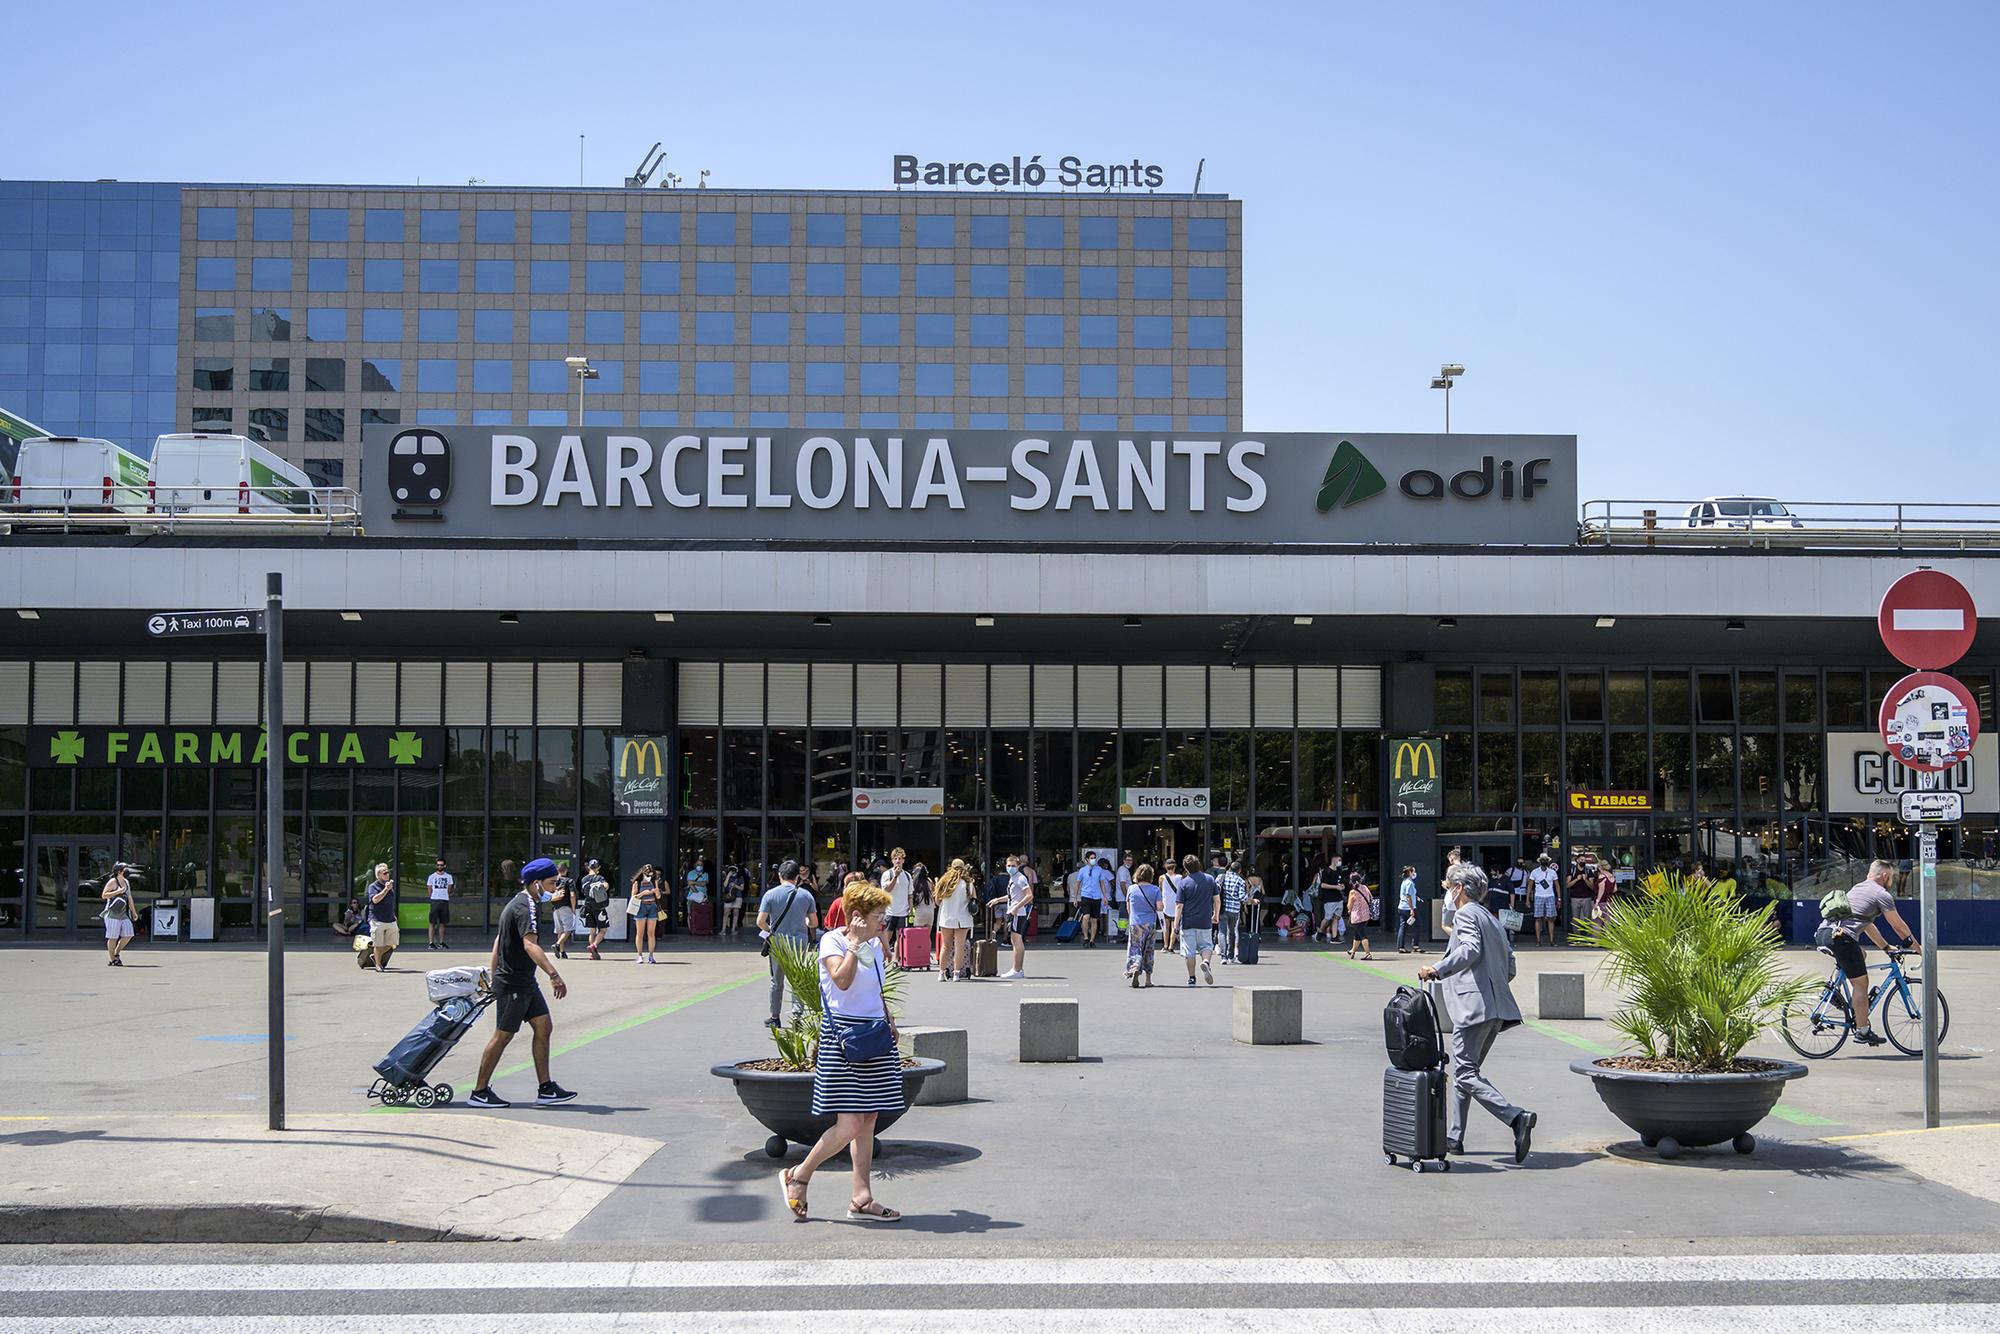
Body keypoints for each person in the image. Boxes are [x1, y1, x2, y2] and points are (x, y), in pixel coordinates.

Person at [780, 879, 902, 1223]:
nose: (884, 922)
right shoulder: (832, 940)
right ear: (858, 916)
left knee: (868, 1119)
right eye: (879, 915)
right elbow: (842, 981)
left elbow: (874, 988)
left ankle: (861, 1197)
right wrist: (855, 944)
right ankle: (799, 1175)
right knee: (849, 1124)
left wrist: (889, 1017)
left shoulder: (877, 944)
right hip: (844, 1038)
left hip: (874, 1034)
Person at [1419, 863, 1535, 1163]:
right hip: (1496, 1008)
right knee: (1465, 1073)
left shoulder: (1467, 914)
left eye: (1448, 887)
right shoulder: (1492, 919)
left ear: (1459, 889)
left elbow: (1469, 949)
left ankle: (1515, 1117)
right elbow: (1509, 965)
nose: (1446, 892)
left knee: (1465, 1073)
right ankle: (1454, 1138)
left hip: (1474, 1008)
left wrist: (1437, 969)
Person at [467, 857, 577, 1108]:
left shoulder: (527, 902)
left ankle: (546, 1088)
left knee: (544, 1026)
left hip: (523, 981)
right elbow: (530, 944)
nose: (555, 886)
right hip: (513, 983)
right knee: (503, 1036)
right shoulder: (524, 908)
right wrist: (554, 974)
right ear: (536, 883)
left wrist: (493, 976)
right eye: (551, 882)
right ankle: (479, 1092)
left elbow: (499, 941)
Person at [1827, 858, 1920, 1047]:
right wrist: (1917, 948)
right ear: (1884, 875)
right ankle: (1862, 1031)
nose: (1892, 881)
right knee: (1861, 983)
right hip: (1842, 938)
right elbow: (1898, 925)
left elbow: (1867, 925)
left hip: (1826, 934)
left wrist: (1886, 947)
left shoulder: (1859, 888)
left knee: (1860, 955)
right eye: (1892, 877)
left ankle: (1834, 991)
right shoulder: (1881, 894)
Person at [758, 860, 820, 1027]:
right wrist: (805, 921)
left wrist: (770, 930)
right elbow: (814, 923)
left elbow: (760, 921)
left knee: (776, 981)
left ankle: (775, 1017)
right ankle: (797, 1016)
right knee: (798, 981)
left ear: (780, 875)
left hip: (778, 943)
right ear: (797, 877)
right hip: (799, 944)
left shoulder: (770, 895)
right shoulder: (806, 895)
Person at [1174, 854, 1221, 987]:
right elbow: (1217, 900)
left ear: (1185, 868)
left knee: (1189, 951)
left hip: (1188, 921)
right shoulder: (1210, 879)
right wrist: (1215, 915)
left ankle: (1192, 978)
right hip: (1205, 920)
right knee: (1206, 945)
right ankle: (1206, 962)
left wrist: (1176, 925)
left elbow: (1179, 906)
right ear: (1199, 864)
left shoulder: (1183, 883)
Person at [984, 854, 1034, 979]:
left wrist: (1016, 908)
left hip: (1017, 912)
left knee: (1017, 941)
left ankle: (1017, 970)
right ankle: (1017, 969)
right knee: (1014, 940)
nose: (1010, 868)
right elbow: (1012, 896)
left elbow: (1029, 895)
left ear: (1018, 866)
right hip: (1013, 911)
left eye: (1013, 866)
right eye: (1008, 866)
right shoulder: (1013, 878)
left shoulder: (1020, 878)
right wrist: (997, 900)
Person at [932, 858, 976, 982]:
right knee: (959, 946)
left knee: (945, 946)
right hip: (963, 918)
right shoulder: (968, 883)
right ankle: (956, 974)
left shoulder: (944, 882)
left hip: (947, 918)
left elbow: (937, 901)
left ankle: (941, 973)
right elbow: (974, 900)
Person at [1124, 863, 1163, 988]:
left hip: (1135, 922)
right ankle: (1148, 979)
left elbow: (1128, 907)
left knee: (1135, 947)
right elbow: (1159, 907)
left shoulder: (1131, 889)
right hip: (1150, 923)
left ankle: (1135, 967)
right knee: (1149, 950)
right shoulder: (1155, 889)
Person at [365, 863, 399, 972]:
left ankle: (376, 956)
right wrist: (386, 889)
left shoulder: (389, 886)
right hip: (377, 919)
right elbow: (375, 900)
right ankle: (378, 965)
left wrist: (394, 915)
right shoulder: (373, 887)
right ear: (378, 875)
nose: (387, 874)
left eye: (388, 872)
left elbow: (389, 903)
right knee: (378, 944)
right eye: (385, 873)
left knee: (392, 943)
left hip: (390, 918)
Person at [100, 862, 135, 966]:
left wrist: (133, 912)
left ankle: (116, 952)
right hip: (112, 913)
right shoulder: (112, 882)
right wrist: (117, 891)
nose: (127, 871)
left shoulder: (126, 882)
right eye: (125, 869)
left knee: (128, 934)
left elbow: (129, 897)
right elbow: (104, 895)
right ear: (119, 872)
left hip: (123, 913)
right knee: (113, 937)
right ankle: (113, 959)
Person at [880, 848, 914, 954]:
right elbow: (887, 890)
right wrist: (895, 876)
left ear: (903, 860)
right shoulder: (887, 874)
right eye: (895, 858)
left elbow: (910, 894)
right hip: (890, 911)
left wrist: (911, 908)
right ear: (892, 860)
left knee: (900, 938)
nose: (898, 861)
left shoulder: (908, 876)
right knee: (887, 937)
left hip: (903, 912)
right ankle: (881, 958)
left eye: (900, 858)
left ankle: (896, 960)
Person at [1075, 850, 1110, 947]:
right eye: (1091, 858)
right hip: (1086, 895)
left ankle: (1092, 940)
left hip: (1096, 896)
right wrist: (1075, 897)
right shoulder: (1082, 870)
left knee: (1094, 919)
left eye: (1094, 858)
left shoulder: (1099, 870)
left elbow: (1102, 883)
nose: (1093, 860)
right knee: (1086, 917)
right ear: (1087, 859)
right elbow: (1077, 883)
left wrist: (1105, 896)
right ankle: (1086, 937)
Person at [1216, 858, 1248, 963]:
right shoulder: (1241, 881)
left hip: (1222, 908)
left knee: (1222, 932)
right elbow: (1242, 897)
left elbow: (1215, 891)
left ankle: (1223, 956)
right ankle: (1230, 956)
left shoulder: (1221, 877)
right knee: (1232, 932)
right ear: (1239, 871)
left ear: (1229, 868)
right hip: (1234, 910)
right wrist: (1251, 900)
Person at [578, 858, 610, 960]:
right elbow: (606, 886)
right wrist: (603, 885)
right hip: (599, 907)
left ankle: (592, 954)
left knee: (592, 931)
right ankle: (594, 945)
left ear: (588, 867)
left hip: (588, 906)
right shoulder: (599, 877)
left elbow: (583, 891)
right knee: (603, 929)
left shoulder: (584, 879)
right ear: (598, 868)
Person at [630, 864, 662, 964]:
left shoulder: (654, 881)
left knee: (651, 933)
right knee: (640, 933)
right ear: (643, 873)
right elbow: (633, 897)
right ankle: (639, 955)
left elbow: (658, 896)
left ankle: (651, 955)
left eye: (651, 874)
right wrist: (644, 893)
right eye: (647, 874)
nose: (649, 876)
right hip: (641, 907)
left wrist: (656, 892)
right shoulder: (637, 882)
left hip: (652, 906)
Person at [425, 857, 454, 951]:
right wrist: (433, 897)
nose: (439, 867)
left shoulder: (448, 877)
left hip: (444, 900)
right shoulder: (432, 877)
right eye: (438, 865)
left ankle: (441, 942)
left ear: (444, 866)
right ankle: (431, 943)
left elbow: (449, 889)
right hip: (435, 900)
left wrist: (444, 895)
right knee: (432, 922)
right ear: (436, 865)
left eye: (441, 865)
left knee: (442, 923)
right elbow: (429, 889)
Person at [550, 862, 577, 961]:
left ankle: (562, 952)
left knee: (559, 930)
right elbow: (572, 895)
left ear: (558, 871)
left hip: (555, 908)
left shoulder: (554, 881)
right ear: (566, 870)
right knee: (568, 929)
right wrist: (573, 908)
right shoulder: (569, 881)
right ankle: (557, 945)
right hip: (566, 907)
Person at [1530, 854, 1560, 946]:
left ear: (1548, 861)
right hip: (1538, 896)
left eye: (1546, 860)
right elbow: (1530, 885)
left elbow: (1557, 885)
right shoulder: (1534, 872)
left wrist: (1559, 898)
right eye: (1543, 860)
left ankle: (1551, 940)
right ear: (1540, 861)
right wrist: (1527, 899)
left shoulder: (1552, 872)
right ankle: (1538, 941)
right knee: (1538, 918)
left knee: (1551, 919)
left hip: (1550, 896)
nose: (1544, 861)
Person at [1346, 872, 1376, 961]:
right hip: (1366, 916)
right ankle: (1353, 951)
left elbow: (1349, 906)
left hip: (1357, 917)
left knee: (1362, 936)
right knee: (1357, 935)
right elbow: (1371, 898)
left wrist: (1349, 910)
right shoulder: (1365, 888)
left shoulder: (1352, 892)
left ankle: (1368, 954)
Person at [1395, 865, 1423, 954]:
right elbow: (1408, 896)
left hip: (1401, 907)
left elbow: (1408, 894)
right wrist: (1411, 909)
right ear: (1410, 872)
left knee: (1403, 926)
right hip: (1408, 908)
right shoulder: (1410, 883)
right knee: (1418, 924)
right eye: (1413, 871)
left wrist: (1416, 897)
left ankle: (1401, 946)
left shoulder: (1404, 881)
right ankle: (1415, 945)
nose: (1415, 873)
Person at [1157, 860, 1182, 956]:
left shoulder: (1162, 878)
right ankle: (1171, 947)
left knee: (1165, 927)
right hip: (1176, 904)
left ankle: (1165, 945)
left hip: (1165, 904)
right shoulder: (1180, 877)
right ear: (1175, 867)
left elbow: (1160, 889)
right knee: (1174, 926)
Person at [719, 862, 748, 940]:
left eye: (734, 870)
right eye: (731, 870)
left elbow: (742, 888)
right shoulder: (728, 877)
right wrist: (728, 876)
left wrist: (735, 885)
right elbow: (725, 885)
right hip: (728, 897)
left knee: (735, 913)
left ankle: (733, 929)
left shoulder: (740, 878)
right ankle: (723, 930)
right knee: (726, 913)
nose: (733, 871)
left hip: (738, 897)